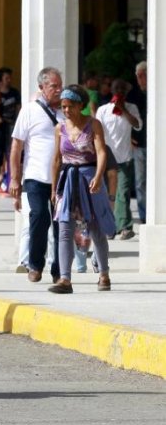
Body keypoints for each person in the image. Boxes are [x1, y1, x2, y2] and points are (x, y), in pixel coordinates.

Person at [49, 86, 116, 293]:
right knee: (65, 227)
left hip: (89, 179)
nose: (66, 110)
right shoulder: (60, 128)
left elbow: (101, 152)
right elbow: (57, 160)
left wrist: (98, 176)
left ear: (80, 105)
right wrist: (53, 189)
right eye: (63, 107)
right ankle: (65, 279)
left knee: (95, 228)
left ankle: (104, 274)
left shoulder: (93, 124)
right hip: (68, 179)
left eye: (70, 106)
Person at [9, 67, 63, 284]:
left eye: (60, 85)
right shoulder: (29, 110)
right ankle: (35, 264)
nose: (59, 90)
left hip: (61, 178)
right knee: (39, 217)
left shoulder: (66, 111)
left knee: (62, 224)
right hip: (35, 176)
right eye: (54, 86)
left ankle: (59, 271)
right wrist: (14, 178)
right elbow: (16, 146)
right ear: (41, 88)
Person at [97, 79, 142, 240]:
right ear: (112, 89)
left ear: (127, 91)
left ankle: (124, 227)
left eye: (123, 88)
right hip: (107, 159)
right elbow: (98, 133)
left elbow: (137, 125)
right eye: (117, 88)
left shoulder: (132, 108)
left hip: (124, 158)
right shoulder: (103, 110)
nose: (120, 91)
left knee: (122, 193)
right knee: (107, 194)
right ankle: (109, 227)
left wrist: (123, 110)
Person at [127, 61, 148, 225]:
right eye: (138, 76)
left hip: (156, 145)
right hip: (139, 144)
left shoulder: (157, 91)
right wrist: (129, 136)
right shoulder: (134, 95)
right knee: (140, 181)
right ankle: (143, 214)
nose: (140, 79)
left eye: (142, 76)